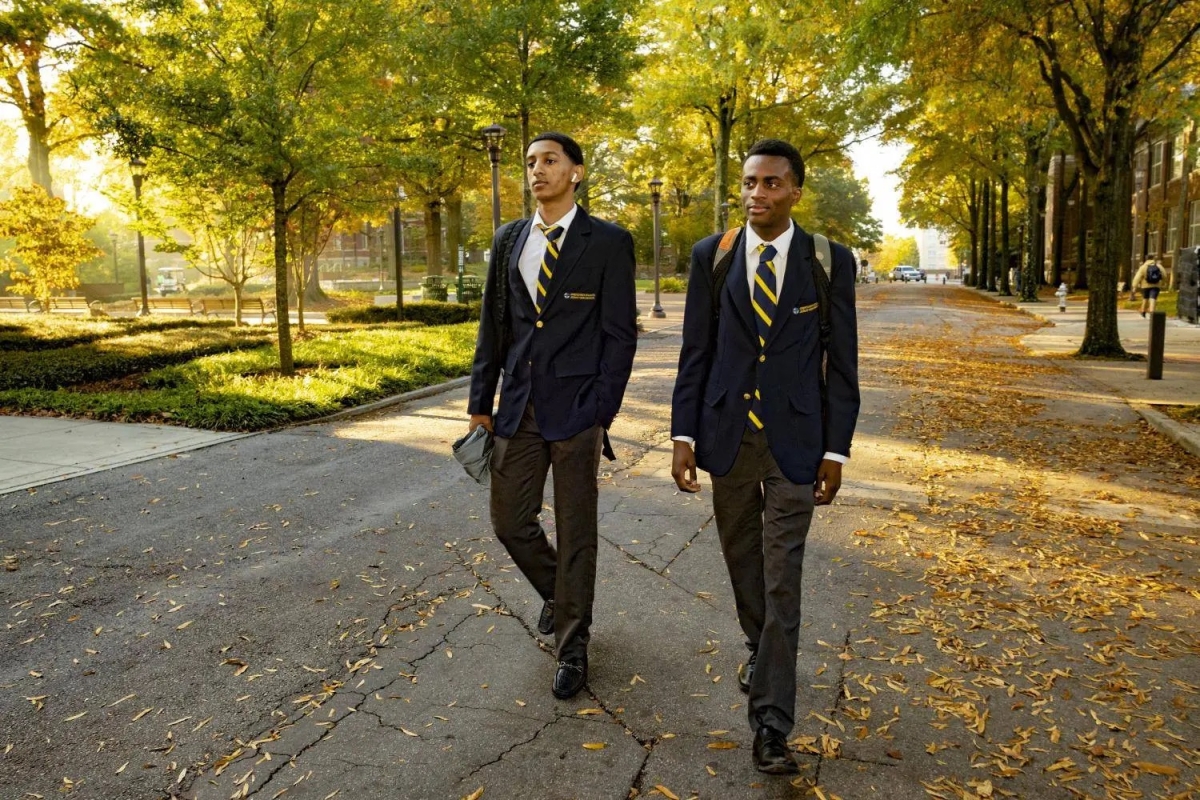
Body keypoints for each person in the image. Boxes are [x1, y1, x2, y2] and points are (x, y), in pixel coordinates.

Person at [670, 139, 860, 774]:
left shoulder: (828, 262)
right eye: (750, 183)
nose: (758, 194)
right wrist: (683, 435)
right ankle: (760, 645)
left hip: (796, 443)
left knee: (784, 578)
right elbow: (696, 351)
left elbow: (843, 365)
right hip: (727, 435)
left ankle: (771, 724)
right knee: (742, 559)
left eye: (772, 184)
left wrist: (835, 449)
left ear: (795, 191)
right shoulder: (713, 256)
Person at [467, 132, 638, 700]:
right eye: (531, 163)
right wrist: (480, 407)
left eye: (549, 161)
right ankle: (560, 597)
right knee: (509, 521)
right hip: (517, 405)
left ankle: (573, 647)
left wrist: (601, 410)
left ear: (577, 173)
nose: (537, 171)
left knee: (576, 528)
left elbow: (619, 335)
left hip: (577, 412)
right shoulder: (510, 237)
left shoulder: (609, 242)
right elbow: (495, 329)